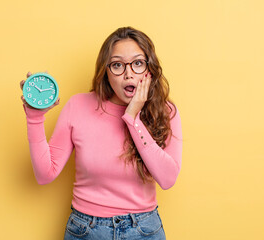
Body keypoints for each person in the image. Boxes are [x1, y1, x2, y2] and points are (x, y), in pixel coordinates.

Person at [20, 26, 183, 240]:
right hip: (86, 230)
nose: (128, 73)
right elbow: (45, 174)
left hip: (144, 230)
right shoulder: (78, 106)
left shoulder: (166, 111)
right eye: (117, 65)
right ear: (106, 71)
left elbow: (168, 179)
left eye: (137, 63)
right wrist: (34, 117)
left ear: (149, 69)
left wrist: (133, 119)